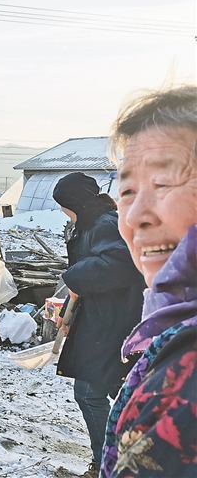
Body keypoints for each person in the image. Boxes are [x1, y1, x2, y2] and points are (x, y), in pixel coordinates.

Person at [100, 85, 197, 478]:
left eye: (163, 184)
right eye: (126, 191)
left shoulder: (185, 376)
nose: (136, 215)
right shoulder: (171, 337)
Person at [51, 172, 146, 478]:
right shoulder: (90, 224)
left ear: (74, 202)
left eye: (63, 204)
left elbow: (119, 265)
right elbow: (86, 280)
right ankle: (123, 460)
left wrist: (73, 278)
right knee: (116, 391)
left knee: (90, 393)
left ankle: (108, 463)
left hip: (114, 323)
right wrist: (68, 313)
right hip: (101, 320)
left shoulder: (105, 223)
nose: (62, 211)